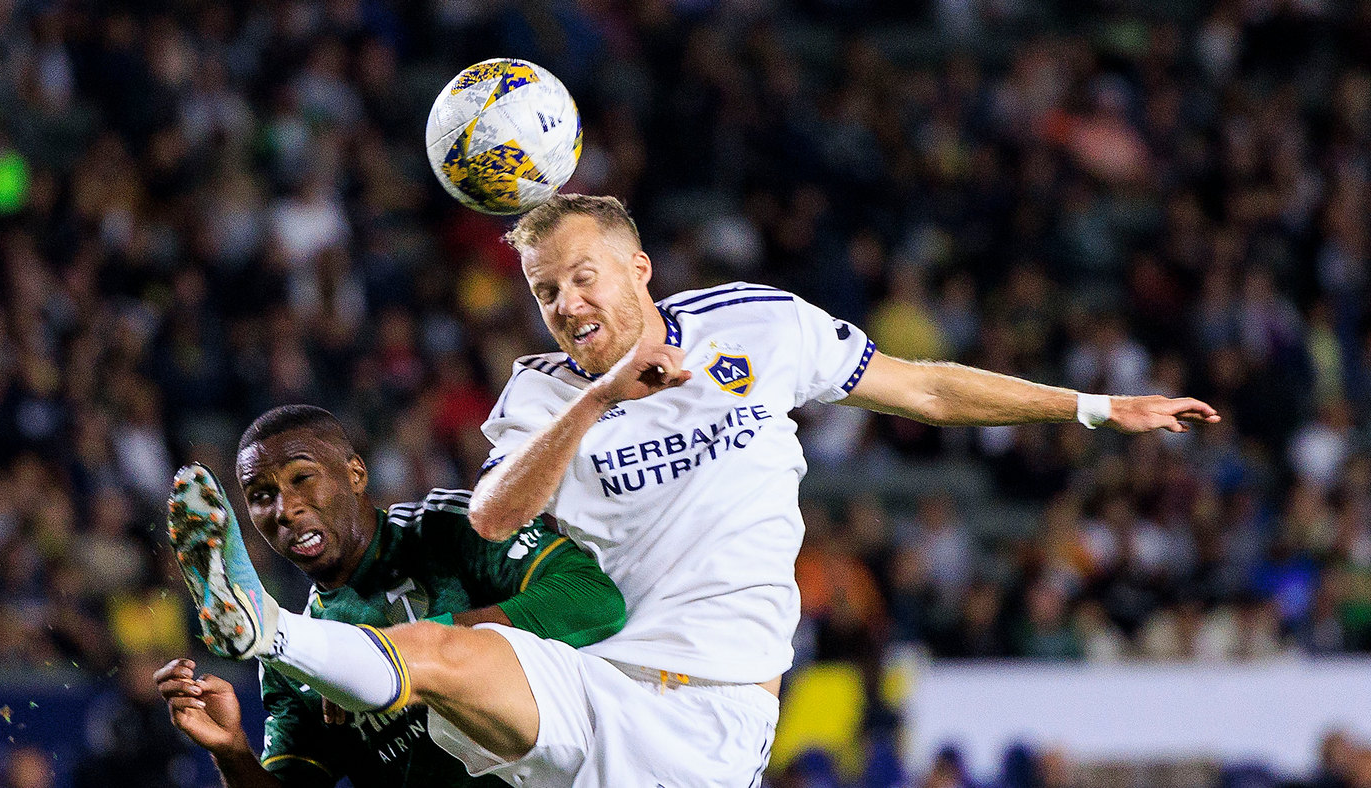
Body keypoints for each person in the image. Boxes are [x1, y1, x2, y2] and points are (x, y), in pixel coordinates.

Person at [169, 195, 1218, 787]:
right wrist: (602, 396)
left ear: (639, 268)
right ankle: (266, 628)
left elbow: (925, 386)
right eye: (544, 291)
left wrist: (1090, 408)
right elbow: (494, 514)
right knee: (441, 654)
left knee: (440, 660)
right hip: (593, 681)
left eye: (582, 277)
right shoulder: (540, 394)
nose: (565, 304)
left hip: (712, 717)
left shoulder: (759, 325)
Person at [158, 405, 625, 788]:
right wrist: (231, 751)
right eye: (261, 496)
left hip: (560, 771)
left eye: (302, 478)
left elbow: (594, 600)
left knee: (428, 651)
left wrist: (396, 654)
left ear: (355, 473)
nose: (285, 509)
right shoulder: (289, 667)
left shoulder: (446, 529)